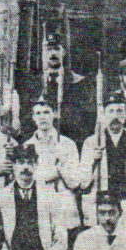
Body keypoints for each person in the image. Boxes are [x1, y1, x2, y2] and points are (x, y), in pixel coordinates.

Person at [0, 144, 73, 250]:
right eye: (21, 162)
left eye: (30, 163)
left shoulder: (51, 196)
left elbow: (61, 237)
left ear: (36, 165)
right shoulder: (1, 197)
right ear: (14, 166)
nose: (25, 168)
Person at [79, 92, 126, 230]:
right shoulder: (91, 142)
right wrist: (93, 162)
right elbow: (82, 182)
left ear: (125, 115)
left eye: (119, 111)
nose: (115, 116)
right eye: (111, 111)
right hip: (101, 205)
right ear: (104, 115)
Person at [23, 32, 95, 148]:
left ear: (64, 52)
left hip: (70, 144)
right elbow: (26, 118)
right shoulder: (34, 84)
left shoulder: (79, 83)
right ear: (43, 53)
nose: (53, 53)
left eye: (57, 48)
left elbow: (86, 119)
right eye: (49, 49)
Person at [22, 98, 80, 232]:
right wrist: (53, 173)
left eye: (47, 112)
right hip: (39, 205)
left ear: (55, 114)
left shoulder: (67, 144)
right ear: (33, 117)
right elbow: (27, 179)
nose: (42, 117)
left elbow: (75, 182)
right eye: (38, 113)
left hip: (63, 206)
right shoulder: (27, 146)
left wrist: (61, 168)